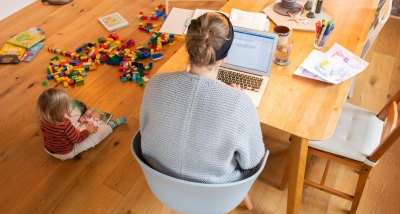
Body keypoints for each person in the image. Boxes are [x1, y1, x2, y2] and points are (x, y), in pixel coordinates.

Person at [140, 12, 265, 184]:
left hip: (159, 180)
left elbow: (144, 128)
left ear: (188, 47)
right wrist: (235, 100)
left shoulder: (155, 83)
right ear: (224, 58)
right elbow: (252, 161)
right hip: (216, 193)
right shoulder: (240, 104)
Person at [36, 88, 127, 161]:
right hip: (66, 153)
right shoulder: (65, 124)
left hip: (48, 149)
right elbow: (78, 139)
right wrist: (87, 130)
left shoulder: (43, 119)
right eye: (66, 107)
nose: (68, 107)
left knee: (73, 125)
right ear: (59, 111)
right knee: (95, 138)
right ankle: (112, 125)